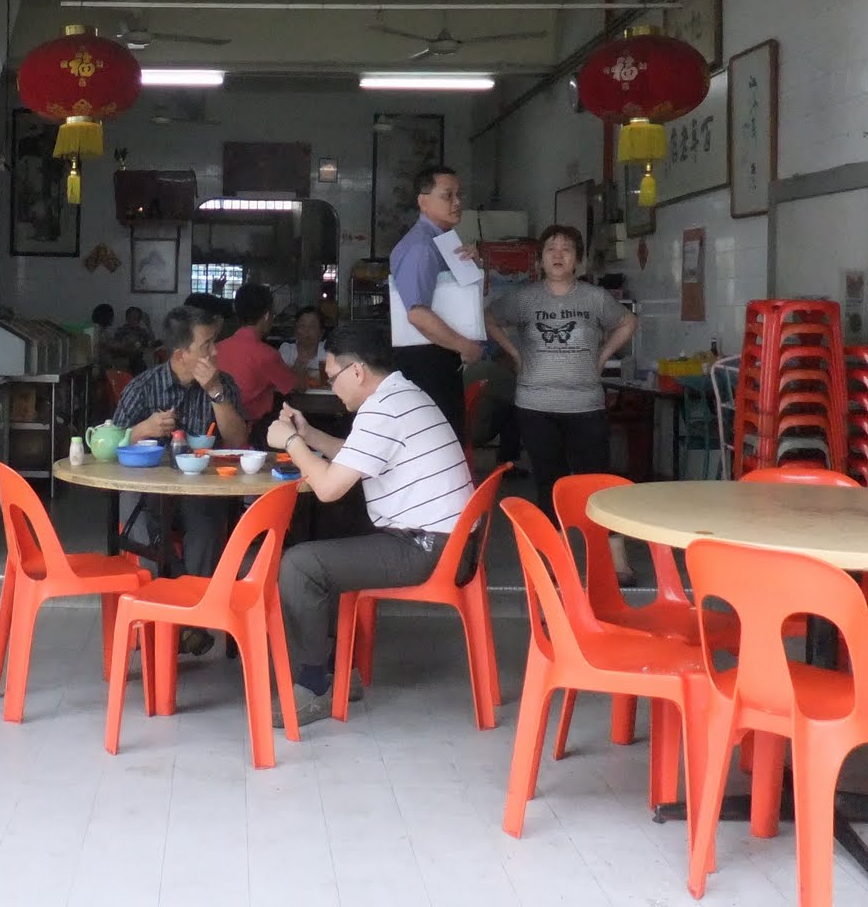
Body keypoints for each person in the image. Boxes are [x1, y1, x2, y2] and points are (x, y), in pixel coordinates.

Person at [265, 321, 476, 726]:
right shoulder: (401, 395)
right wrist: (308, 434)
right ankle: (338, 674)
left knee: (300, 564)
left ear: (357, 371)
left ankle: (314, 687)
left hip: (427, 549)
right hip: (446, 542)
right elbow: (356, 453)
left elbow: (327, 488)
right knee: (326, 548)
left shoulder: (382, 409)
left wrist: (290, 443)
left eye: (333, 378)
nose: (332, 388)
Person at [485, 224, 640, 582]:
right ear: (540, 260)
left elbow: (628, 322)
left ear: (577, 260)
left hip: (586, 404)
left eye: (567, 249)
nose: (558, 255)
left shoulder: (594, 298)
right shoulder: (524, 298)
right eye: (551, 249)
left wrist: (601, 357)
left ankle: (616, 559)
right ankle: (556, 558)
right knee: (549, 483)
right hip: (536, 405)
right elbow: (490, 317)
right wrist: (514, 354)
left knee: (597, 482)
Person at [110, 305, 249, 654]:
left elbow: (235, 440)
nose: (215, 352)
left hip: (199, 490)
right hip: (149, 492)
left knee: (205, 521)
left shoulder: (223, 383)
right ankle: (164, 613)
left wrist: (215, 392)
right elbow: (108, 445)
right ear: (180, 354)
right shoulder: (145, 386)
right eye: (207, 345)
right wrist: (142, 429)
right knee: (135, 512)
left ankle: (192, 617)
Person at [388, 165, 482, 447]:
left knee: (446, 443)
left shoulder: (442, 243)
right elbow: (417, 314)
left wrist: (472, 265)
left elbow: (458, 300)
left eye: (459, 195)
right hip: (425, 362)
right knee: (435, 447)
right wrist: (464, 345)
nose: (457, 202)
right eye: (447, 195)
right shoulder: (421, 247)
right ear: (423, 201)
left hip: (441, 357)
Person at [215, 283, 303, 443]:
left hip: (218, 429)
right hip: (252, 433)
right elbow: (297, 386)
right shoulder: (267, 354)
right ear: (267, 316)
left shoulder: (217, 348)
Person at [277, 306, 327, 374]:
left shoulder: (327, 353)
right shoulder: (287, 351)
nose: (306, 330)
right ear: (295, 330)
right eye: (302, 325)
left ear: (321, 332)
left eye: (312, 326)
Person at [107, 305, 157, 373]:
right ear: (127, 318)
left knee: (140, 364)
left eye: (135, 318)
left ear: (139, 320)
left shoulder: (142, 332)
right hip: (123, 358)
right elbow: (115, 347)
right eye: (130, 317)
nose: (133, 320)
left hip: (137, 360)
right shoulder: (121, 330)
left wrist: (148, 325)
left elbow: (153, 343)